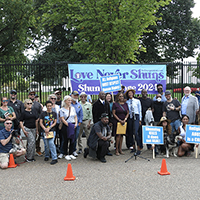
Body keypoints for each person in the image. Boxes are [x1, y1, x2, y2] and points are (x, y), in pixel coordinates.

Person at [59, 95, 77, 161]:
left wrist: (76, 123)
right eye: (69, 100)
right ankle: (66, 153)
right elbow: (62, 119)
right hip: (66, 125)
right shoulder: (61, 109)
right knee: (65, 140)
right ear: (65, 101)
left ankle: (71, 153)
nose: (70, 101)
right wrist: (68, 125)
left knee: (72, 139)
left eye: (70, 100)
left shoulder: (72, 108)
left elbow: (75, 116)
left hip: (72, 124)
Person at [125, 89, 142, 155]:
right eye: (129, 93)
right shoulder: (127, 102)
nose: (130, 94)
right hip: (130, 117)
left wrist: (140, 119)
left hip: (136, 116)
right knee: (131, 132)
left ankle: (139, 147)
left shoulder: (137, 101)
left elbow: (140, 110)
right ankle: (133, 147)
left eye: (131, 93)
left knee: (136, 132)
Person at [28, 91, 42, 156]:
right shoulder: (25, 103)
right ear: (29, 95)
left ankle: (38, 149)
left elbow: (41, 113)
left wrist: (39, 118)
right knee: (29, 137)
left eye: (33, 94)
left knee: (37, 136)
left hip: (37, 122)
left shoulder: (37, 104)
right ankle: (29, 150)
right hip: (28, 122)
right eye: (31, 94)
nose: (32, 95)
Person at [70, 91, 83, 157]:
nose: (76, 96)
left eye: (77, 95)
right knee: (68, 137)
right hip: (70, 123)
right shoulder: (69, 104)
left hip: (77, 124)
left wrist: (80, 122)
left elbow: (81, 115)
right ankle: (68, 150)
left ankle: (74, 150)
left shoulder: (79, 105)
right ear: (71, 95)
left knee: (75, 138)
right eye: (75, 95)